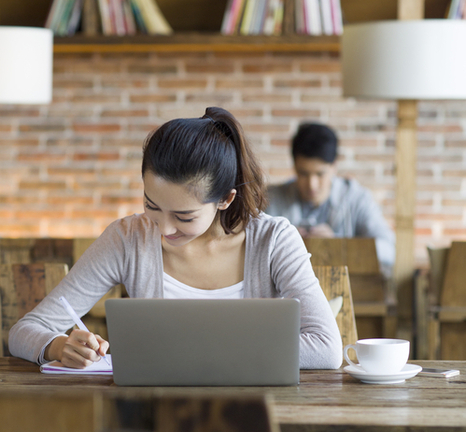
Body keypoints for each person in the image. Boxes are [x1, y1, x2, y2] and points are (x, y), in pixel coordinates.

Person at [9, 107, 342, 371]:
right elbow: (25, 331)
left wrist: (195, 354)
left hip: (259, 412)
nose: (163, 229)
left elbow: (326, 349)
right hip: (150, 415)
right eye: (151, 205)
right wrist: (58, 346)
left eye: (184, 216)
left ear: (224, 199)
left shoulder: (274, 239)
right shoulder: (127, 238)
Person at [266, 122, 396, 275]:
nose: (312, 185)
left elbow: (389, 252)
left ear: (334, 166)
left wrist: (337, 246)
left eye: (320, 174)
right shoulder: (271, 199)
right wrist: (285, 243)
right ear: (294, 166)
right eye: (303, 174)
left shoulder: (357, 199)